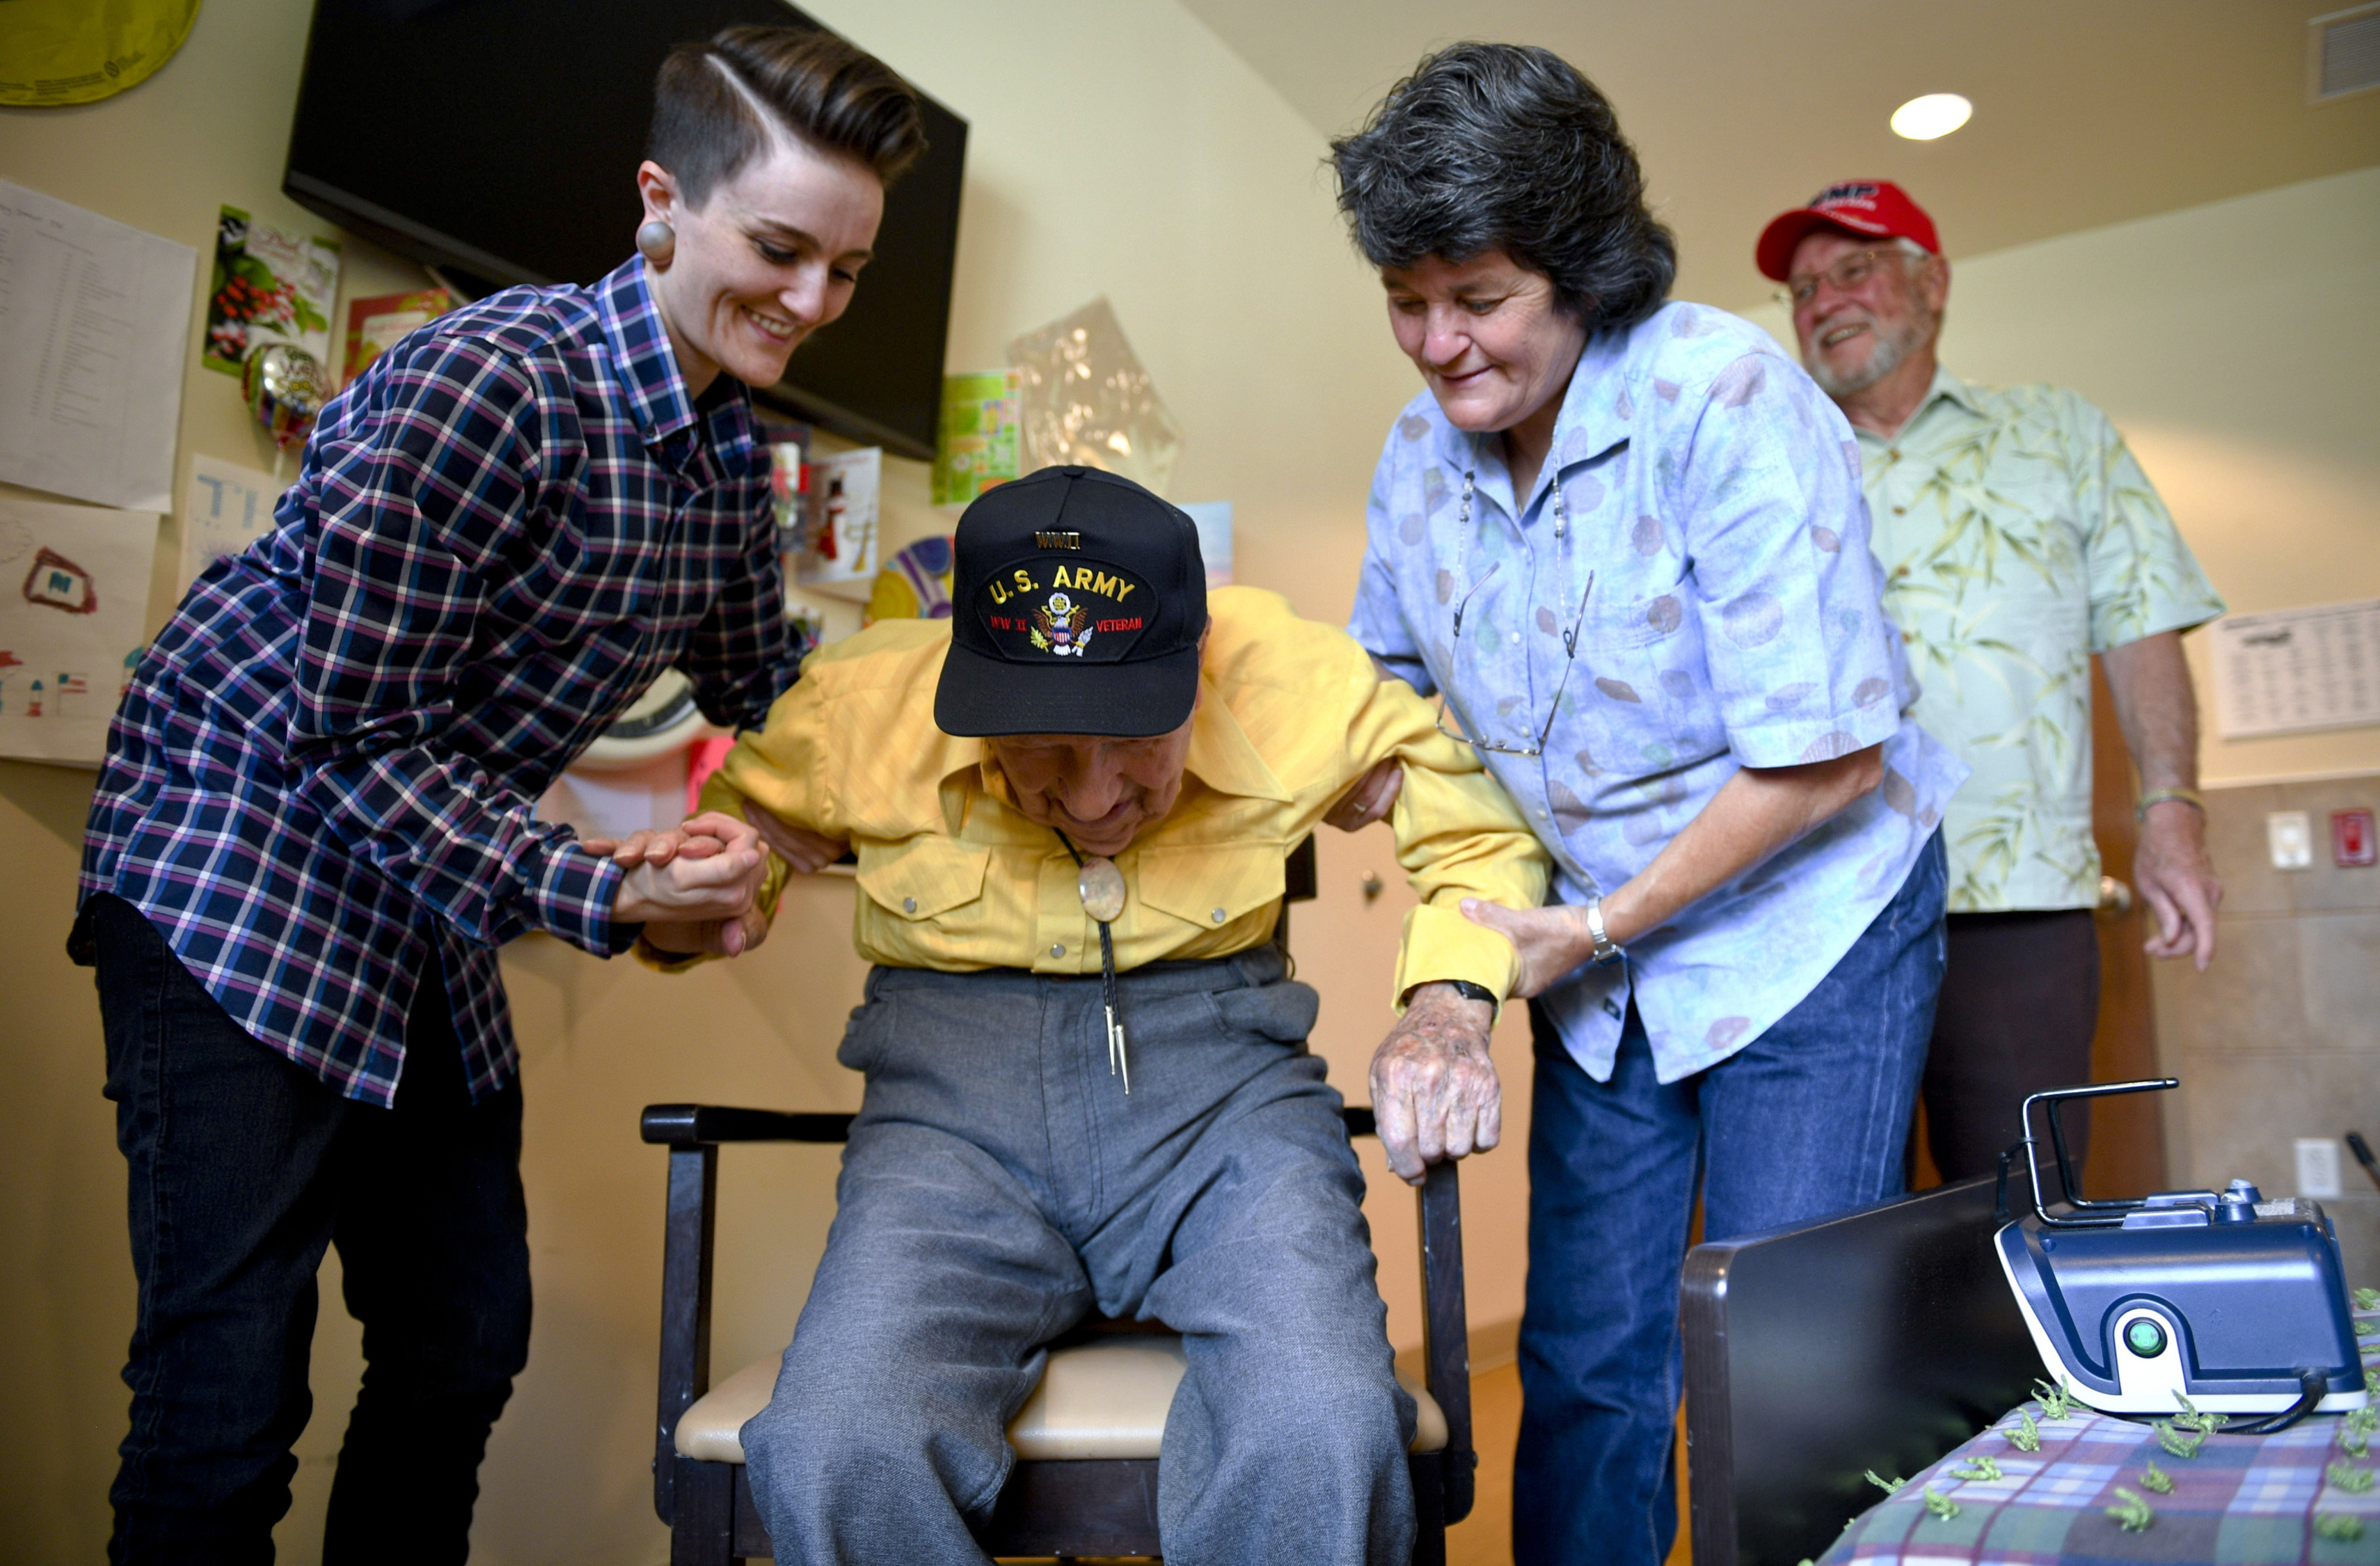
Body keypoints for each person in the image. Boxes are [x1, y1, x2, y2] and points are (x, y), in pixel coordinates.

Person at [70, 27, 923, 1561]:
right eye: (781, 250)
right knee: (226, 1402)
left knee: (461, 1343)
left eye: (845, 273)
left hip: (417, 892)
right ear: (662, 197)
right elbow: (348, 740)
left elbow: (772, 696)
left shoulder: (731, 457)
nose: (811, 305)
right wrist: (606, 886)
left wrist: (987, 728)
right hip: (234, 856)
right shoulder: (483, 382)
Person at [636, 464, 1548, 1565]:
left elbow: (1477, 832)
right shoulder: (859, 705)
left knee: (1323, 1424)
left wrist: (1447, 1005)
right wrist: (699, 893)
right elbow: (747, 843)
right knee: (839, 1439)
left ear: (1196, 661)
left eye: (1136, 740)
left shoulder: (1283, 672)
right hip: (948, 1134)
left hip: (1226, 1117)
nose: (1094, 797)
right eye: (1044, 747)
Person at [1325, 45, 1966, 1563]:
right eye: (1406, 302)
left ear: (1582, 270)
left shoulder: (1725, 398)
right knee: (1589, 1359)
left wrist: (1598, 923)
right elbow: (1381, 693)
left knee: (1780, 1348)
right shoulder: (1418, 461)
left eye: (1476, 299)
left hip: (1811, 926)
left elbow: (1828, 759)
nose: (1437, 343)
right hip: (1593, 955)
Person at [1754, 180, 2225, 1182]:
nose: (1823, 300)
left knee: (2023, 1212)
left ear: (1933, 284)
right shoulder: (1767, 466)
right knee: (1833, 1236)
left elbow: (2142, 623)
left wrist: (2172, 814)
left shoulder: (2059, 435)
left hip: (2015, 903)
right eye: (1801, 289)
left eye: (1853, 269)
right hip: (1814, 910)